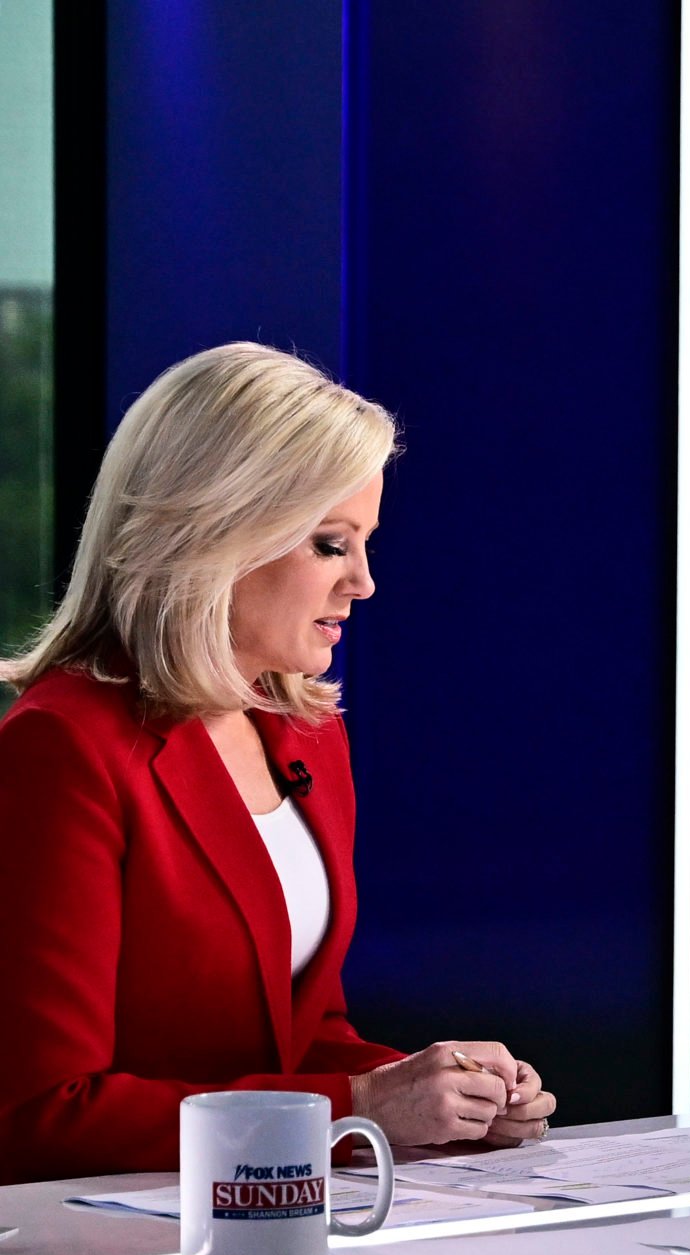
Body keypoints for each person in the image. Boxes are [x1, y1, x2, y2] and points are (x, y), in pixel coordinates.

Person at [0, 343, 556, 1183]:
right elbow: (39, 1114)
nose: (364, 583)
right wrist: (360, 1111)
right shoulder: (63, 748)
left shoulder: (303, 730)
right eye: (332, 545)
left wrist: (444, 1092)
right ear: (217, 533)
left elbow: (297, 1036)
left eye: (364, 543)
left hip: (277, 1224)